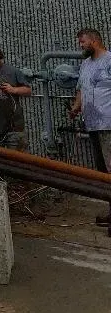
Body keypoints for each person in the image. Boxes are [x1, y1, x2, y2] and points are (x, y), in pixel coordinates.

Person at [70, 28, 111, 227]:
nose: (81, 45)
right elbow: (81, 89)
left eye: (83, 41)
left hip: (109, 125)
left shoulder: (110, 61)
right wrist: (76, 108)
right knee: (102, 172)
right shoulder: (85, 64)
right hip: (92, 124)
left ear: (94, 41)